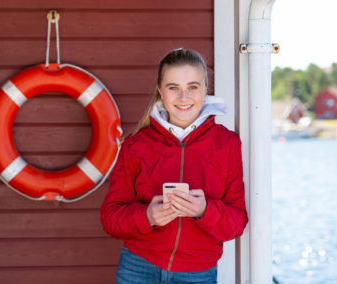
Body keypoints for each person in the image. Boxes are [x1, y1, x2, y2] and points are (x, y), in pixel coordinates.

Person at [100, 48, 248, 284]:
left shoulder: (227, 144)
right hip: (138, 266)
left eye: (192, 87)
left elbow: (236, 222)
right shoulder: (135, 145)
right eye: (173, 88)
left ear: (205, 90)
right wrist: (147, 215)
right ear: (160, 91)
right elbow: (110, 217)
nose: (183, 97)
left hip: (197, 272)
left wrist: (204, 211)